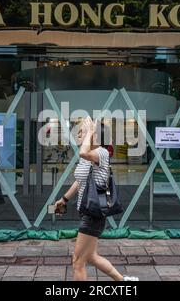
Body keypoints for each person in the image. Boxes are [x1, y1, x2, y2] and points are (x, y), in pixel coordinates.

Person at [54, 116, 138, 281]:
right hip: (86, 211)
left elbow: (83, 151)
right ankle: (123, 281)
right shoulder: (87, 158)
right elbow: (80, 181)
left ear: (95, 136)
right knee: (91, 257)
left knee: (77, 262)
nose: (78, 135)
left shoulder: (102, 153)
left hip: (93, 215)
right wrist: (64, 199)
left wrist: (91, 130)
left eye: (82, 132)